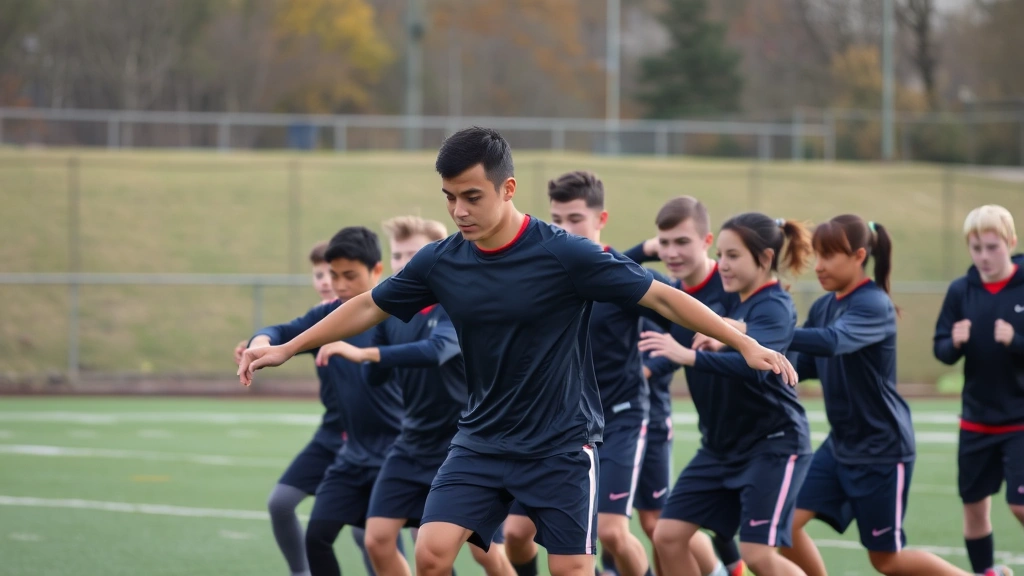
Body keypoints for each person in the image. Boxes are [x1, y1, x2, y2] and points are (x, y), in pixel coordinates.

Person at [236, 127, 796, 576]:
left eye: (472, 196)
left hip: (559, 442)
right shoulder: (442, 260)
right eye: (450, 198)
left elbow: (662, 298)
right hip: (482, 437)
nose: (459, 211)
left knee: (574, 566)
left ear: (507, 189)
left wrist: (742, 341)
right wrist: (290, 346)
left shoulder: (565, 255)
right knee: (431, 553)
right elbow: (366, 306)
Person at [779, 214, 1010, 576]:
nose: (818, 267)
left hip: (882, 451)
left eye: (828, 256)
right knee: (784, 527)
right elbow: (802, 366)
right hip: (840, 446)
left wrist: (767, 330)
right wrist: (745, 351)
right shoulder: (823, 306)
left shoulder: (873, 304)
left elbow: (833, 341)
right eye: (817, 256)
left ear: (858, 256)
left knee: (886, 560)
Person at [318, 215, 515, 576]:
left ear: (436, 256)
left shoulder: (456, 306)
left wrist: (367, 354)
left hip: (466, 446)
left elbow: (436, 351)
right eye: (397, 255)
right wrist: (361, 359)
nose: (404, 263)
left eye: (414, 253)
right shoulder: (392, 312)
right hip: (412, 443)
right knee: (377, 539)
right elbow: (377, 376)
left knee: (485, 554)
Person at [639, 212, 813, 576]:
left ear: (764, 259)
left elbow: (760, 366)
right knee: (667, 536)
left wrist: (689, 355)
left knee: (759, 555)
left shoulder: (775, 305)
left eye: (733, 256)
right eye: (722, 254)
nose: (723, 265)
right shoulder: (733, 302)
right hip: (719, 449)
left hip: (773, 445)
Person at [503, 171, 657, 576]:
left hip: (619, 418)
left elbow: (675, 310)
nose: (564, 228)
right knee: (515, 534)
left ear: (600, 219)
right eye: (556, 219)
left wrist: (733, 335)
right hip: (559, 423)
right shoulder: (545, 272)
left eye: (575, 219)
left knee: (611, 532)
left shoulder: (619, 274)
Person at [248, 226, 404, 576]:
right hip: (345, 443)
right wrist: (260, 341)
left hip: (395, 446)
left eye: (349, 276)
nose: (338, 284)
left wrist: (367, 354)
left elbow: (431, 355)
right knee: (299, 519)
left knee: (376, 539)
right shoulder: (326, 316)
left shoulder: (396, 314)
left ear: (377, 271)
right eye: (332, 275)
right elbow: (282, 333)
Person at [624, 197, 749, 576]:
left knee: (770, 549)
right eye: (664, 244)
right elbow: (614, 276)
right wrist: (646, 249)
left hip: (764, 437)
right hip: (716, 440)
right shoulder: (670, 295)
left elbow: (769, 328)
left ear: (707, 240)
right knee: (665, 531)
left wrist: (656, 366)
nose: (672, 253)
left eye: (682, 242)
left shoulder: (734, 286)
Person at [934, 205, 1024, 576]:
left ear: (1011, 243)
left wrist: (1016, 340)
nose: (984, 257)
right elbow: (940, 350)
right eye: (976, 248)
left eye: (992, 247)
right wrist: (953, 343)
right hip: (976, 420)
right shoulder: (961, 290)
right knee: (974, 506)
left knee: (1020, 505)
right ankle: (987, 573)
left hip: (1020, 419)